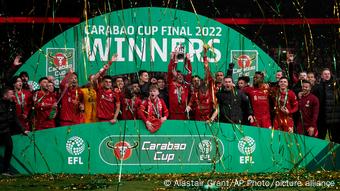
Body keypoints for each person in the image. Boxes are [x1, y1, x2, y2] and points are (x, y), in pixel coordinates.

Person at [0, 87, 27, 176]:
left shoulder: (12, 104)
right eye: (11, 94)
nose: (13, 96)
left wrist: (23, 130)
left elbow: (15, 119)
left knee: (9, 146)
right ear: (5, 95)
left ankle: (5, 170)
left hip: (6, 131)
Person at [313, 68, 340, 143]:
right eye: (325, 74)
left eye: (328, 74)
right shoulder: (317, 87)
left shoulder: (336, 85)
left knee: (335, 140)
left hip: (334, 118)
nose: (327, 75)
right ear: (322, 76)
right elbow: (311, 95)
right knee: (320, 139)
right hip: (322, 118)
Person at [167, 48, 192, 120]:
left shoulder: (185, 86)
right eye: (178, 75)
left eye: (181, 75)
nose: (180, 76)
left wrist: (188, 60)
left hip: (183, 114)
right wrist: (173, 60)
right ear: (175, 77)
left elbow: (189, 73)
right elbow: (169, 72)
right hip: (173, 115)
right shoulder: (171, 84)